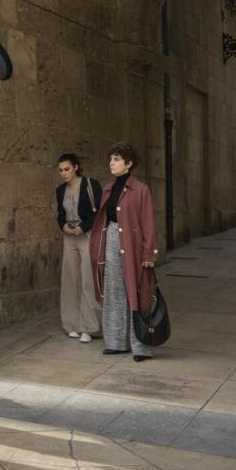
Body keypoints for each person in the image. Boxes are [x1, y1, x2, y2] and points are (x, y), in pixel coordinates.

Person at [89, 142, 158, 362]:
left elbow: (148, 223)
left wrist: (149, 254)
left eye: (117, 159)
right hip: (111, 239)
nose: (112, 163)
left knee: (138, 293)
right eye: (111, 159)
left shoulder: (141, 190)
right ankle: (116, 343)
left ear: (128, 164)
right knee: (113, 290)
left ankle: (141, 346)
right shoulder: (108, 188)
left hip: (133, 244)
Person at [55, 153, 102, 343]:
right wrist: (63, 226)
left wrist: (83, 227)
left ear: (76, 167)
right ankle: (71, 324)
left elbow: (99, 212)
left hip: (87, 234)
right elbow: (59, 215)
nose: (63, 173)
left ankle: (88, 327)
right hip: (69, 236)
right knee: (69, 279)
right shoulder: (60, 191)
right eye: (60, 170)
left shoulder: (91, 185)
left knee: (87, 279)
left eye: (66, 169)